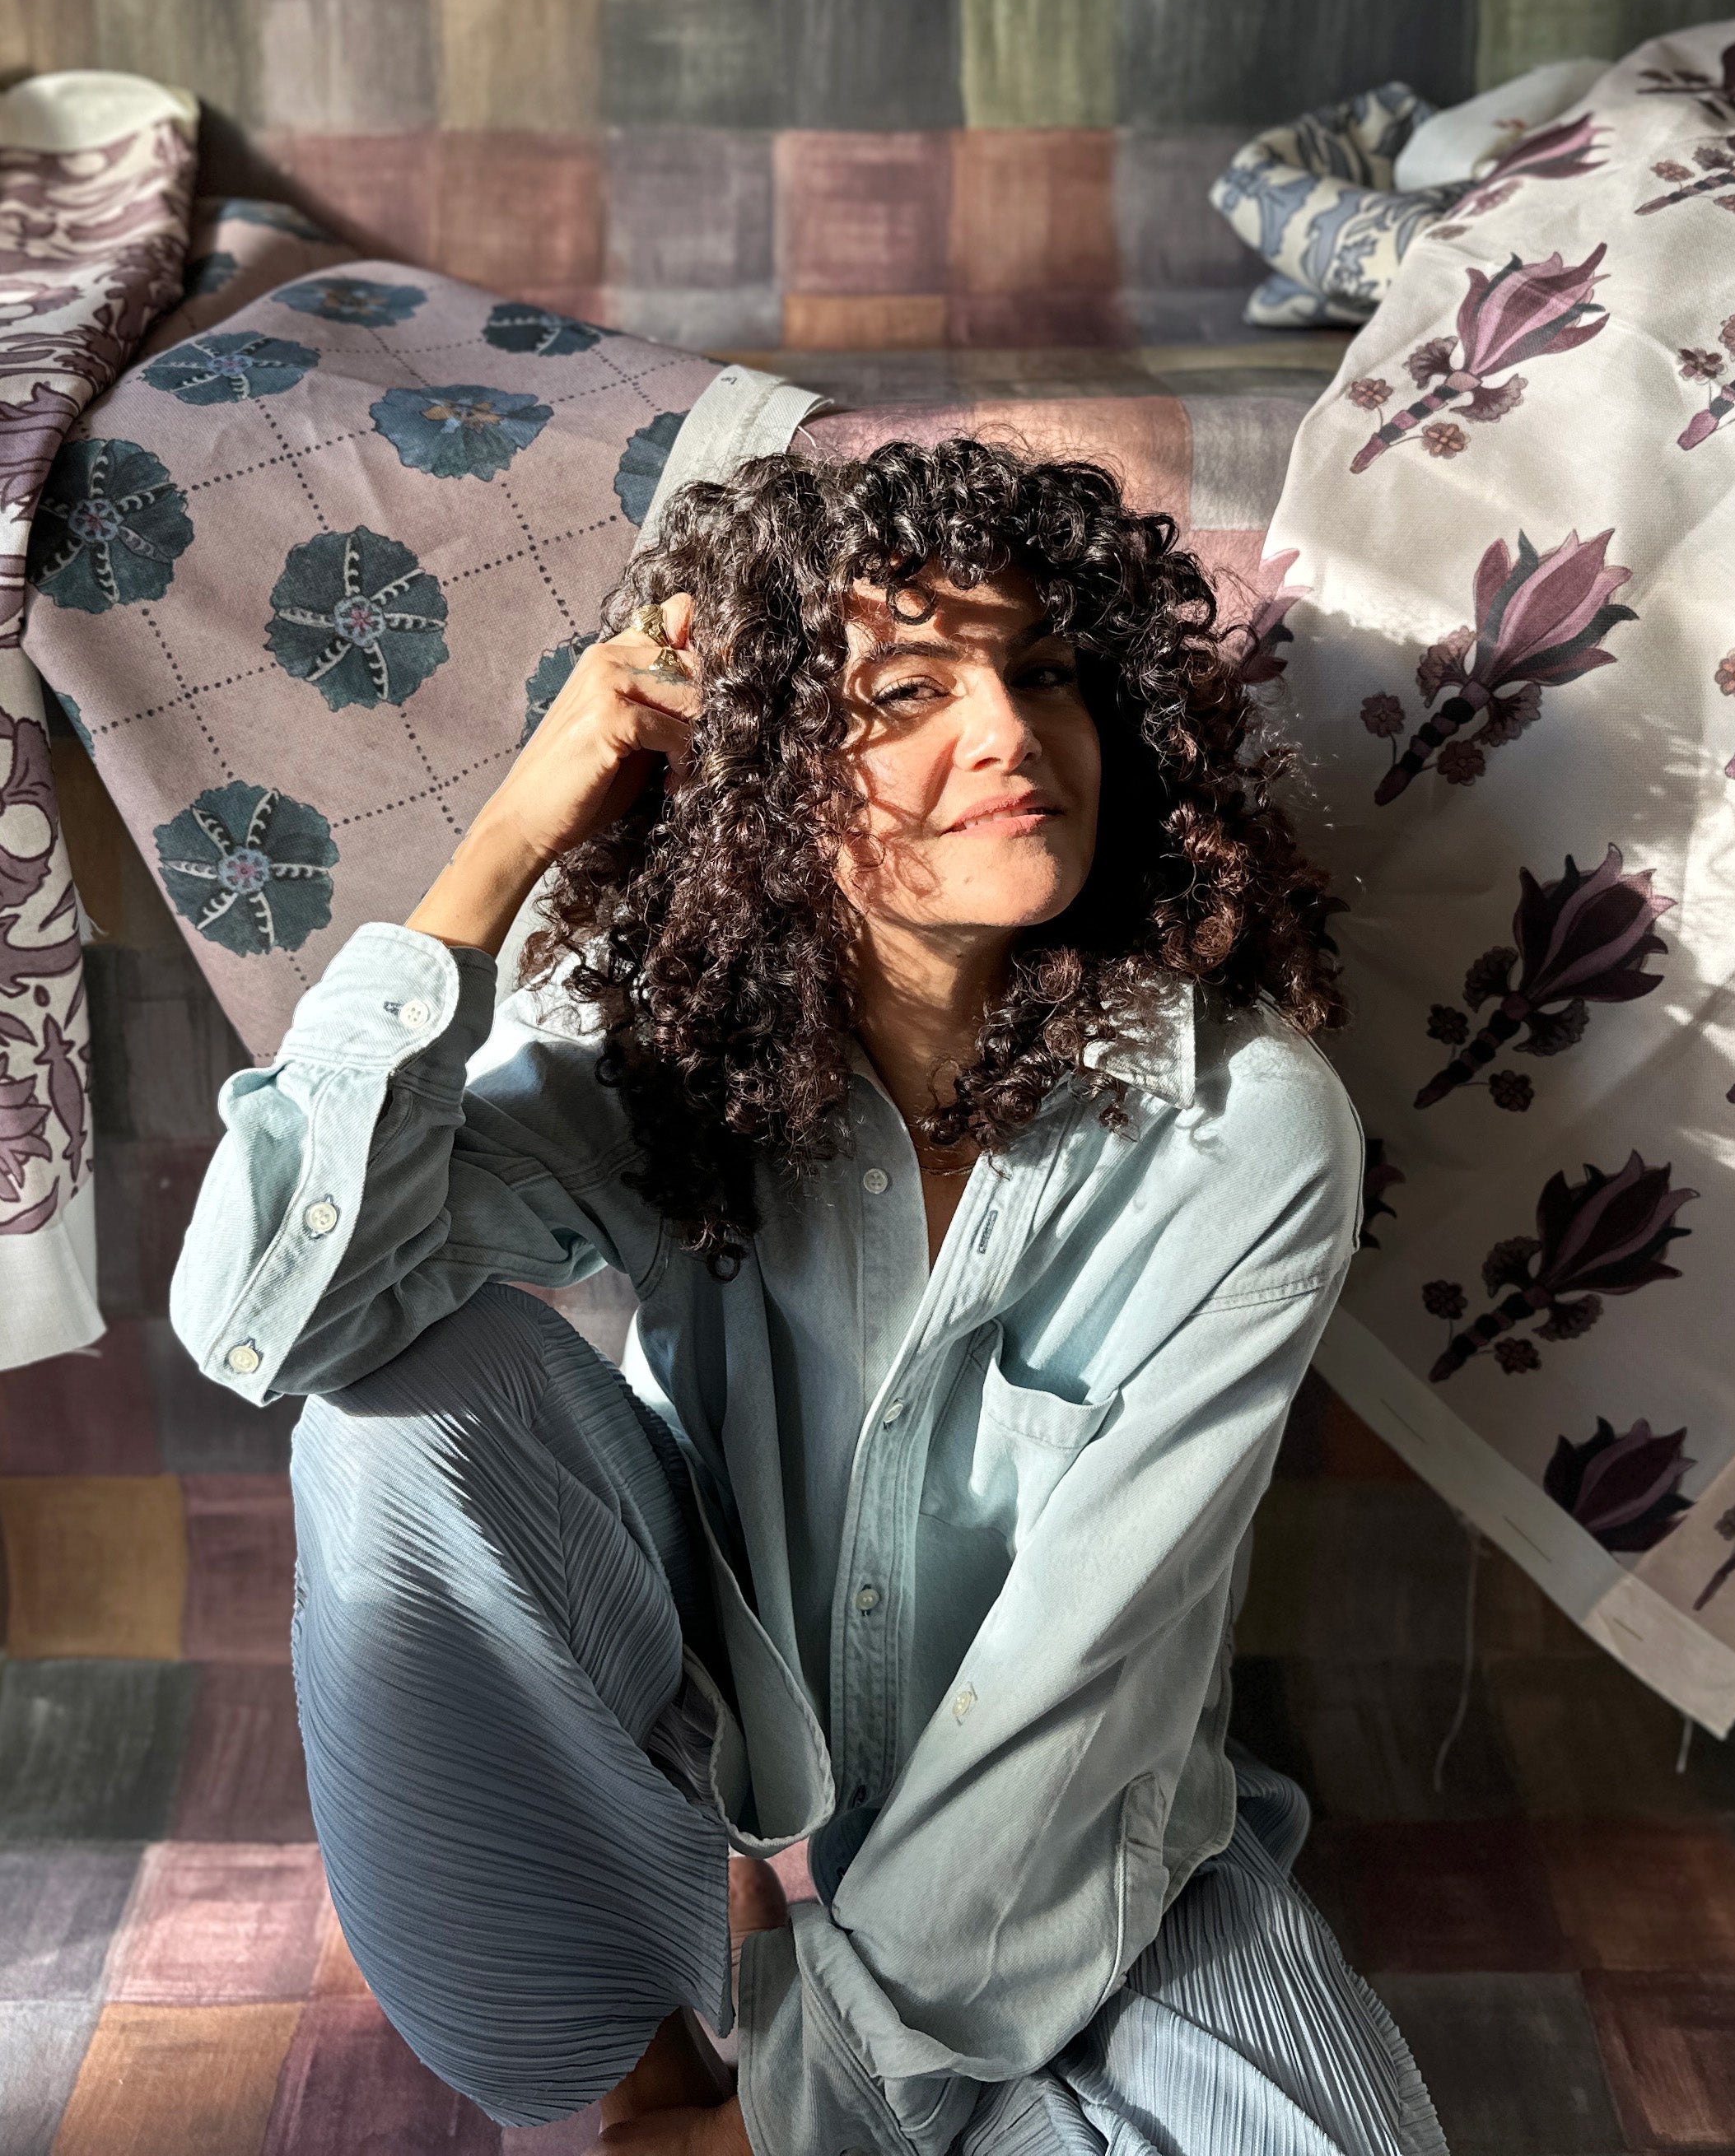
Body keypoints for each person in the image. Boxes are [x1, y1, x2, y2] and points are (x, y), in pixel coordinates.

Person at [168, 437, 1445, 2156]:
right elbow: (273, 1315)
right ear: (760, 771)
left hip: (1098, 1836)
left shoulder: (1244, 1133)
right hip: (707, 1758)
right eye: (908, 688)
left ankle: (807, 2072)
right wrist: (503, 845)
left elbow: (1082, 1700)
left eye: (1045, 673)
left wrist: (794, 2113)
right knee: (397, 1415)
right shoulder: (673, 1067)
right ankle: (643, 2090)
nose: (1005, 732)